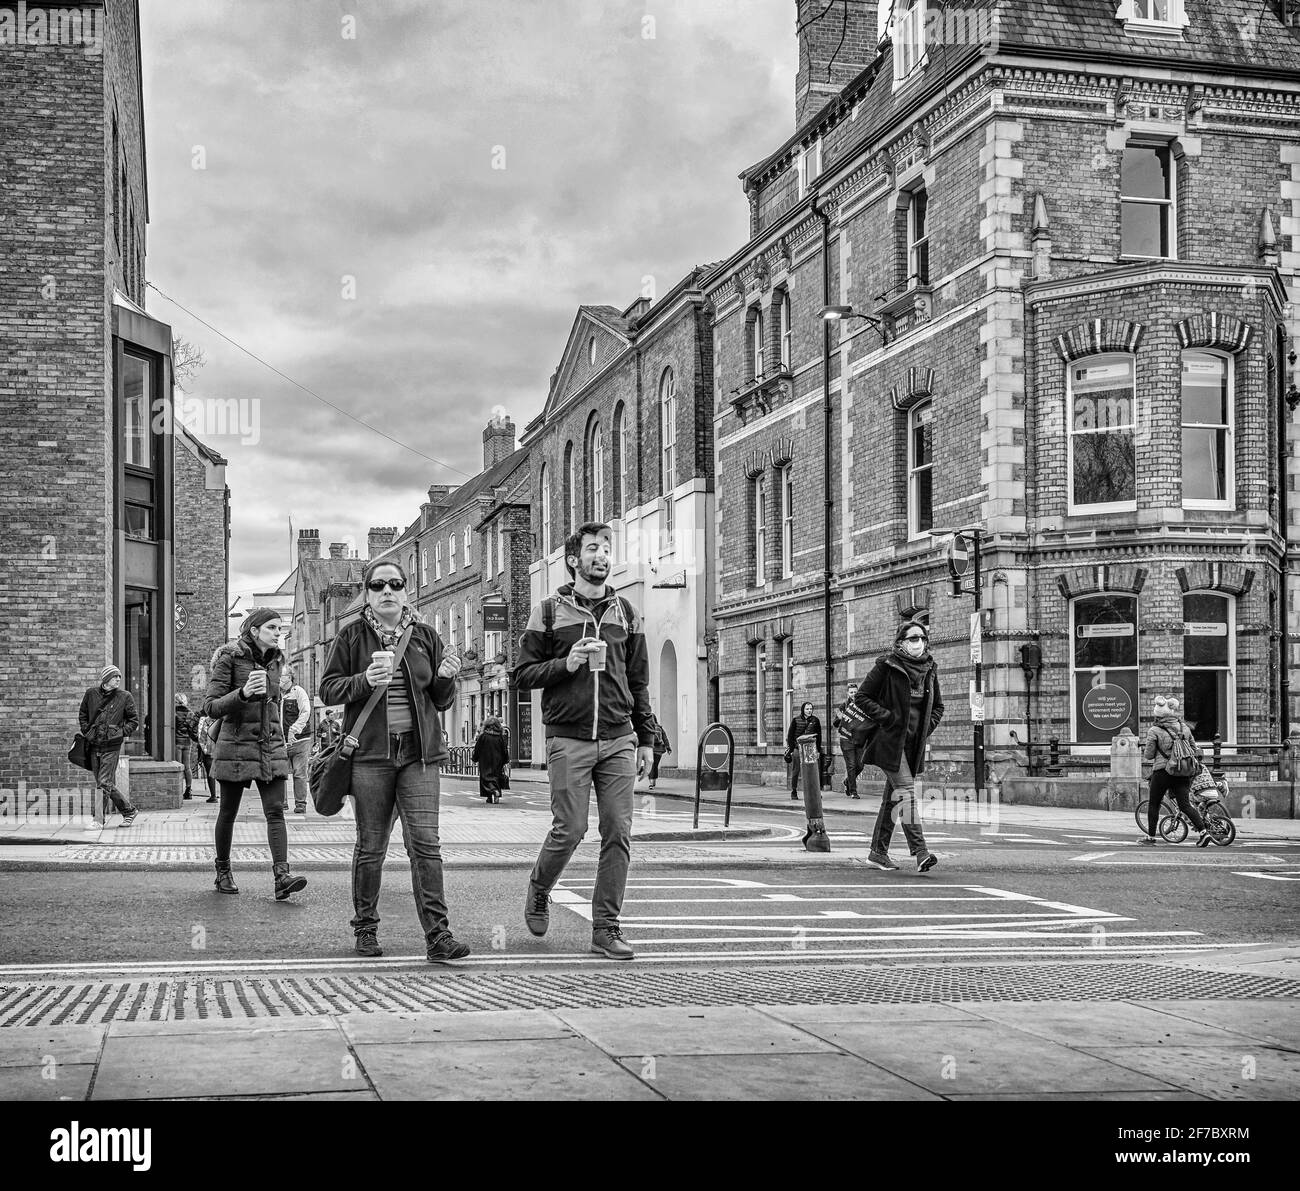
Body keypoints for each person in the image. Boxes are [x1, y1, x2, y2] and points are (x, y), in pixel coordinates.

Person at [512, 522, 656, 961]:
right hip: (568, 739)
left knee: (618, 832)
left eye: (606, 549)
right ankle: (539, 888)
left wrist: (646, 738)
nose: (602, 556)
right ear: (574, 560)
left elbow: (639, 681)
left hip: (618, 739)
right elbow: (522, 675)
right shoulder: (549, 612)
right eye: (593, 549)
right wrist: (566, 663)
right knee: (570, 829)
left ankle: (606, 929)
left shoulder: (626, 612)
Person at [319, 559, 470, 962]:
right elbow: (328, 689)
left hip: (419, 756)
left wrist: (446, 678)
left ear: (406, 591)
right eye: (378, 585)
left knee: (426, 846)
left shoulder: (424, 636)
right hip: (371, 757)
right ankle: (365, 930)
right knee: (371, 846)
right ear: (368, 593)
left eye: (395, 584)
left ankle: (439, 937)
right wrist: (364, 681)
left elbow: (441, 701)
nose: (387, 590)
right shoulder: (352, 637)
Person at [202, 608, 307, 900]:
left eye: (280, 628)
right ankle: (223, 870)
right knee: (229, 811)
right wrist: (244, 693)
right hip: (235, 746)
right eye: (272, 627)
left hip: (270, 744)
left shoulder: (276, 662)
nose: (278, 632)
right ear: (254, 630)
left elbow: (273, 703)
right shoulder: (230, 658)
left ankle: (282, 876)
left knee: (275, 811)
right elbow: (210, 706)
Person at [853, 620, 944, 873]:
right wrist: (888, 718)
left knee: (892, 799)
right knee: (905, 791)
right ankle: (921, 851)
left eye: (923, 638)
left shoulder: (929, 668)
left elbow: (938, 707)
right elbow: (862, 697)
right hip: (889, 742)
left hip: (912, 744)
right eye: (913, 638)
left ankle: (877, 852)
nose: (919, 643)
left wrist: (926, 729)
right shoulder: (887, 665)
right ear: (901, 642)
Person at [1142, 695, 1211, 847]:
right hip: (1183, 771)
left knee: (1154, 803)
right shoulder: (1184, 727)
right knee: (1185, 805)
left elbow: (1148, 755)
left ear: (1158, 714)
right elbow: (1194, 749)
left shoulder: (1154, 730)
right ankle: (1203, 833)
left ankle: (1151, 837)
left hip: (1163, 772)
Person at [78, 665, 139, 826]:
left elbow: (134, 721)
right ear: (106, 679)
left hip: (112, 746)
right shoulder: (91, 694)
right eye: (114, 676)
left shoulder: (125, 696)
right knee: (104, 783)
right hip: (94, 745)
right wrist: (87, 731)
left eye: (119, 676)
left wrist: (119, 733)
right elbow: (83, 714)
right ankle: (129, 811)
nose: (118, 679)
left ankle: (98, 820)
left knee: (103, 782)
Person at [279, 668, 312, 815]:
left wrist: (294, 729)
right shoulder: (276, 694)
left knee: (299, 773)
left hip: (300, 741)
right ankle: (282, 803)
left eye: (284, 675)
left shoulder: (298, 691)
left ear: (290, 678)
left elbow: (305, 711)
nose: (281, 678)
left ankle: (300, 804)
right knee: (280, 774)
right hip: (281, 742)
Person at [832, 682, 868, 799]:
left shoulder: (863, 705)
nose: (853, 694)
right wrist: (840, 717)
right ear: (848, 693)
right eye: (851, 692)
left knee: (860, 765)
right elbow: (835, 723)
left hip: (859, 740)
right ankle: (853, 791)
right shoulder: (843, 706)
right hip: (846, 740)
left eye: (855, 692)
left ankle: (848, 781)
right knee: (851, 766)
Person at [784, 701, 823, 802]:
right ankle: (794, 791)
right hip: (798, 748)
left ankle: (816, 792)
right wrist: (791, 749)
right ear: (803, 710)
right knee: (796, 770)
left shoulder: (815, 720)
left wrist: (818, 750)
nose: (809, 711)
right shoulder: (796, 720)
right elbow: (790, 736)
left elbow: (819, 737)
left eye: (811, 709)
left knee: (813, 771)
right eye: (807, 709)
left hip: (810, 749)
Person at [472, 715, 509, 804]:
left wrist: (474, 758)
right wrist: (505, 760)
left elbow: (477, 748)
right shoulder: (500, 737)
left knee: (486, 778)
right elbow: (504, 750)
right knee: (495, 777)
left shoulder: (483, 736)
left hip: (485, 760)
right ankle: (493, 795)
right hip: (497, 761)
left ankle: (493, 791)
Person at [174, 693, 199, 800]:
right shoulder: (190, 713)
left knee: (178, 766)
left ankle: (178, 791)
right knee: (187, 767)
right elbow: (194, 730)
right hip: (187, 742)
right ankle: (188, 791)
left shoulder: (173, 713)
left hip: (177, 742)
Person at [196, 713, 218, 802]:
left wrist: (203, 751)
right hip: (220, 750)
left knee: (210, 774)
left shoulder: (204, 721)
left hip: (208, 751)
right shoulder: (220, 721)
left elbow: (201, 737)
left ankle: (213, 796)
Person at [649, 720, 672, 789]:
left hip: (650, 749)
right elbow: (665, 738)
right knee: (655, 765)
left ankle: (651, 783)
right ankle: (654, 781)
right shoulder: (660, 728)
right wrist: (668, 747)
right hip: (659, 750)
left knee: (651, 765)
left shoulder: (647, 727)